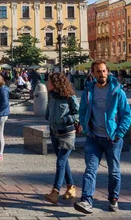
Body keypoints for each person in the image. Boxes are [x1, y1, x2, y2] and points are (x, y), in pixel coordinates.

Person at [74, 60, 131, 215]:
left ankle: (113, 198)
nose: (102, 74)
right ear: (93, 73)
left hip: (112, 139)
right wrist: (86, 128)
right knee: (90, 169)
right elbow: (83, 111)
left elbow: (126, 115)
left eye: (104, 71)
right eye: (98, 71)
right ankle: (86, 201)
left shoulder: (117, 91)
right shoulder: (88, 91)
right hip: (93, 137)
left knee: (114, 171)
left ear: (108, 71)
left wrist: (119, 133)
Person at [44, 72, 80, 204]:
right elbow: (49, 110)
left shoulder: (69, 96)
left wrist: (66, 119)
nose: (48, 84)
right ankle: (71, 188)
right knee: (63, 161)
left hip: (67, 133)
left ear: (56, 83)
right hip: (54, 132)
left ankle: (55, 192)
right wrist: (48, 115)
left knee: (60, 162)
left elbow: (78, 113)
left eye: (50, 82)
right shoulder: (52, 96)